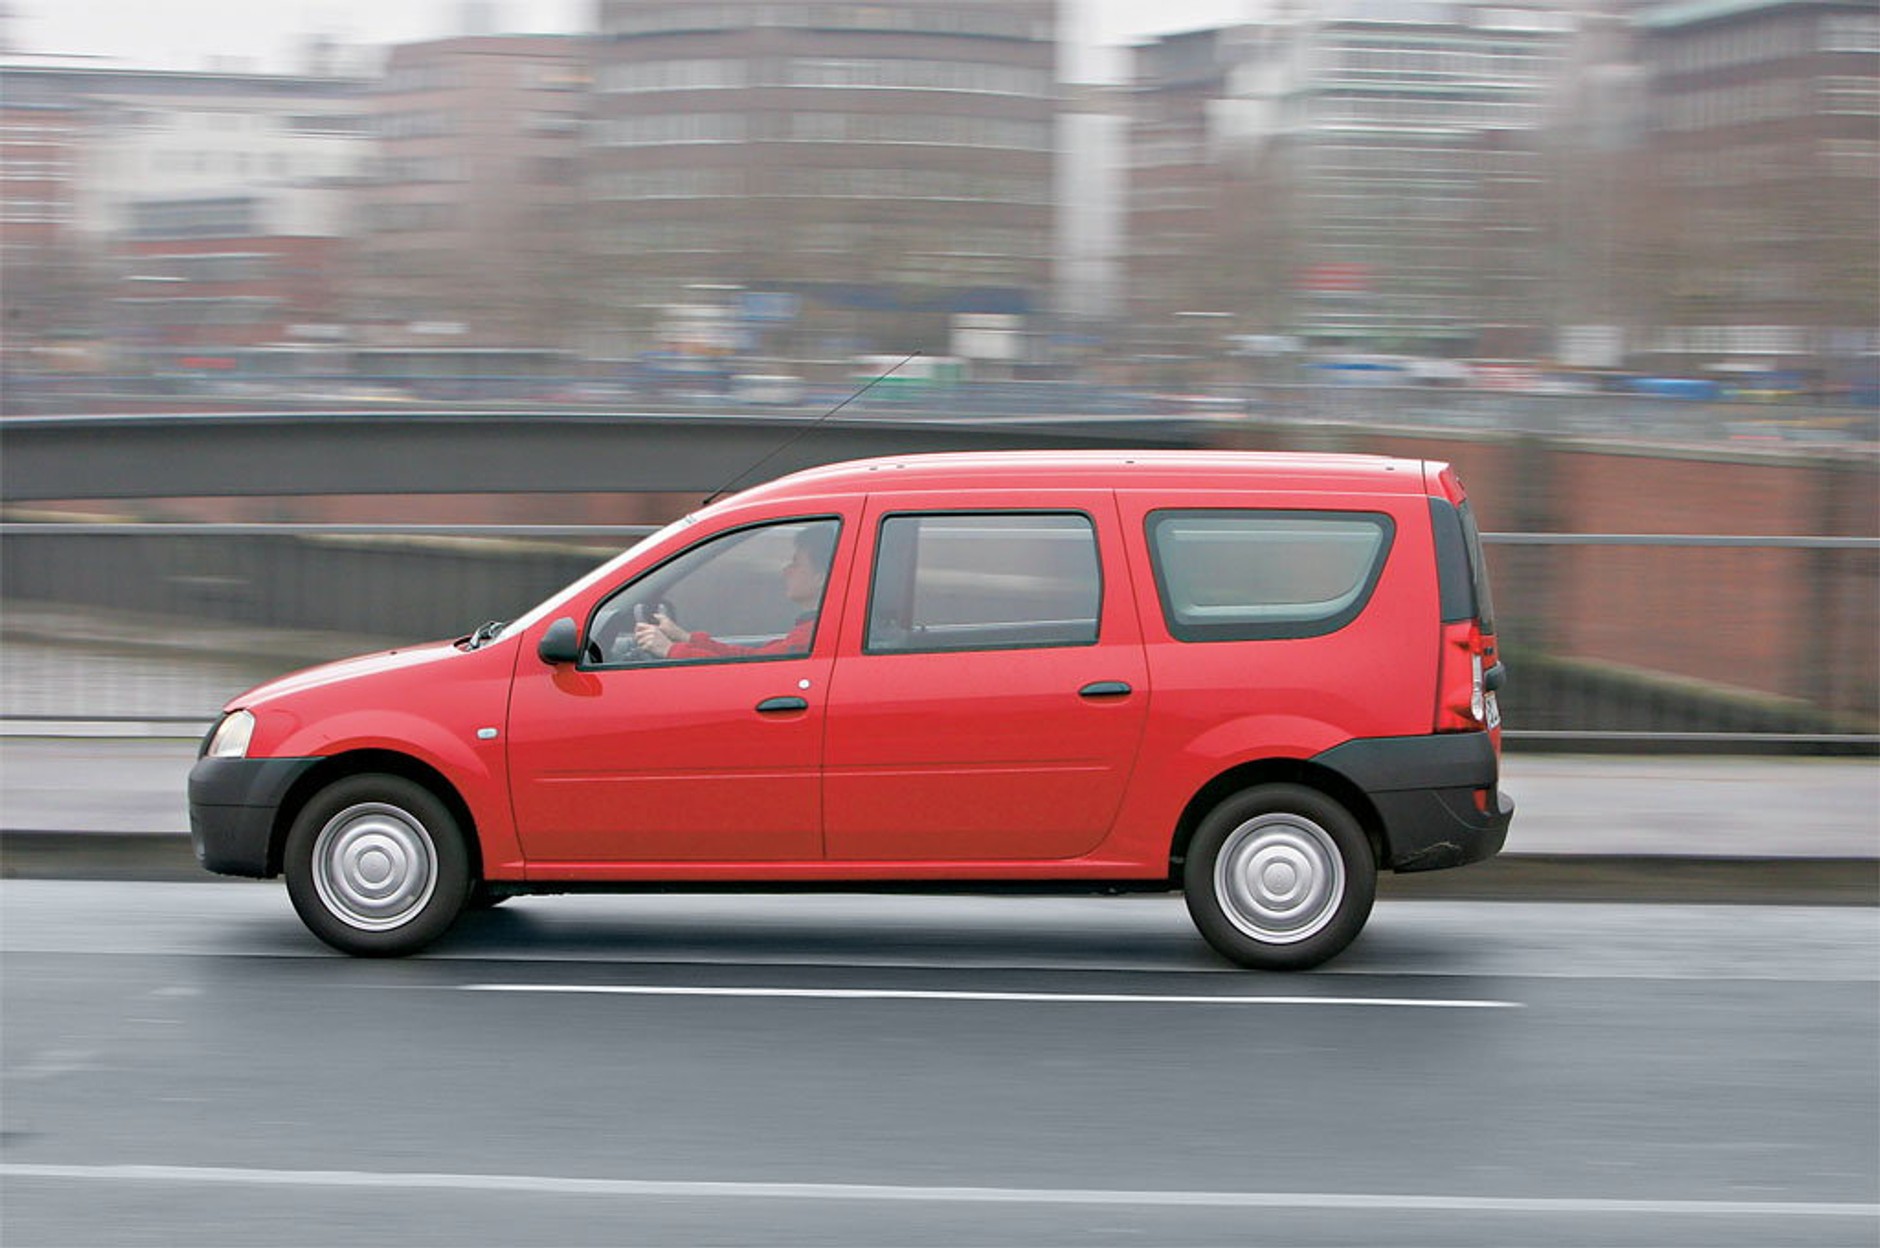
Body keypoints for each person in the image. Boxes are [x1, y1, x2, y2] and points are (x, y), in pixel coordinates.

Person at [633, 524, 834, 660]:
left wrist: (669, 650)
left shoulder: (808, 638)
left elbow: (748, 671)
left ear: (820, 577)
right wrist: (684, 638)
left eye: (796, 563)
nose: (786, 570)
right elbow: (750, 657)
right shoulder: (813, 631)